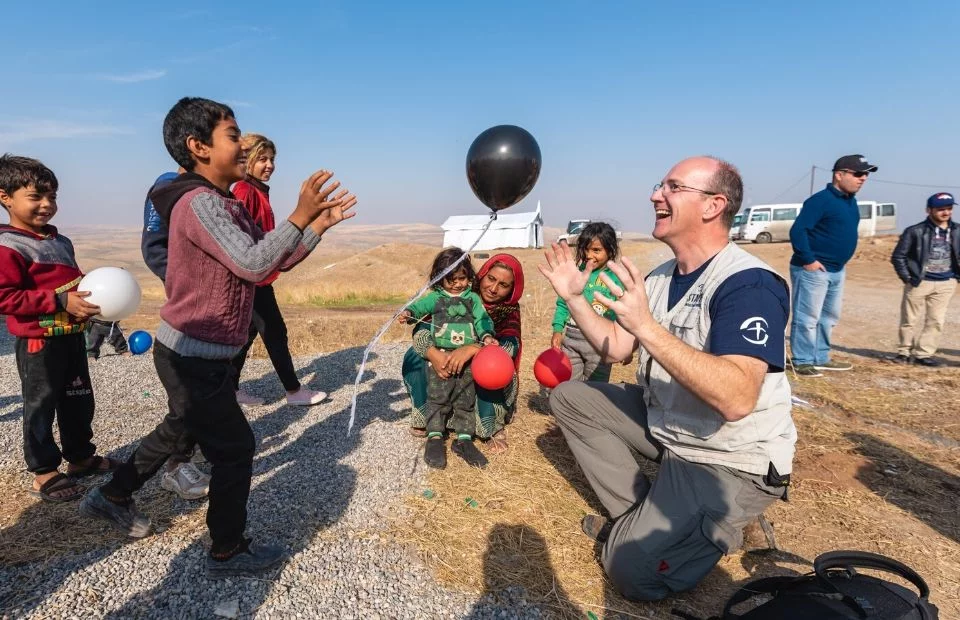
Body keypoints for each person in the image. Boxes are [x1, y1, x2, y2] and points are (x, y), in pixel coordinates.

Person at [80, 97, 357, 580]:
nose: (243, 144)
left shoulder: (224, 202)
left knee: (178, 428)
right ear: (199, 147)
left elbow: (268, 263)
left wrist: (315, 228)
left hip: (201, 352)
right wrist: (298, 214)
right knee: (234, 448)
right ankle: (227, 550)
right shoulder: (201, 203)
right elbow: (253, 262)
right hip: (193, 356)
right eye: (233, 135)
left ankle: (112, 494)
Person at [539, 156, 796, 601]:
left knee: (631, 573)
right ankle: (648, 519)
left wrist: (647, 327)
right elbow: (618, 348)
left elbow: (737, 398)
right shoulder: (661, 277)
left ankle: (673, 533)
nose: (656, 195)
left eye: (673, 187)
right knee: (570, 398)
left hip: (726, 456)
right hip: (672, 426)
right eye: (661, 185)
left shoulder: (748, 283)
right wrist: (578, 300)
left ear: (713, 205)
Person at [0, 154, 117, 502]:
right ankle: (44, 470)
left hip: (71, 338)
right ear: (4, 196)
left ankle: (80, 457)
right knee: (41, 403)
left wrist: (91, 301)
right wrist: (60, 302)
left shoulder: (60, 241)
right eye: (35, 196)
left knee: (79, 400)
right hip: (39, 342)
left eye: (52, 196)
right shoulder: (8, 247)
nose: (47, 204)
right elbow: (5, 297)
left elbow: (74, 284)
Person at [231, 133, 326, 406]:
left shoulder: (258, 191)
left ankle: (230, 389)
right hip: (252, 279)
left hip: (256, 277)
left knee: (247, 334)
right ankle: (294, 391)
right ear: (247, 159)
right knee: (275, 331)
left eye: (272, 159)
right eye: (262, 158)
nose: (269, 165)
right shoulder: (245, 191)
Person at [402, 253, 524, 452]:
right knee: (414, 356)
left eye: (504, 285)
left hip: (482, 365)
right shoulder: (452, 296)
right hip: (445, 359)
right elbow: (421, 329)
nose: (493, 289)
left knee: (494, 366)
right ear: (481, 276)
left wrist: (475, 349)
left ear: (513, 290)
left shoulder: (508, 310)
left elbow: (510, 347)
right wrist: (434, 354)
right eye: (491, 279)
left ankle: (489, 425)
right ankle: (429, 418)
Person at [141, 168, 212, 500]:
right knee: (186, 400)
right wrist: (186, 283)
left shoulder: (216, 190)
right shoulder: (169, 186)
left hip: (212, 312)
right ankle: (170, 466)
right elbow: (154, 245)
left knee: (208, 393)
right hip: (191, 308)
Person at [399, 248, 497, 469]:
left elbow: (482, 321)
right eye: (450, 280)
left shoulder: (473, 299)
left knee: (465, 400)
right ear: (439, 279)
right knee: (438, 399)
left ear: (469, 277)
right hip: (441, 360)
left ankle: (464, 440)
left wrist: (487, 335)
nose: (457, 284)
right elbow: (417, 308)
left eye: (462, 278)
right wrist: (408, 314)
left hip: (467, 363)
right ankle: (434, 437)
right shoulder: (435, 298)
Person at [789, 154, 877, 377]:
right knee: (807, 318)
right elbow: (798, 231)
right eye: (858, 173)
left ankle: (820, 357)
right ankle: (802, 360)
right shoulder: (820, 201)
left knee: (828, 318)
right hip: (813, 270)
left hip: (837, 270)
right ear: (839, 175)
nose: (863, 178)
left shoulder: (850, 202)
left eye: (866, 174)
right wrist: (809, 260)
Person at [891, 192, 959, 366]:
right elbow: (898, 256)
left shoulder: (957, 230)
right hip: (919, 282)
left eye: (949, 208)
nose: (946, 212)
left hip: (946, 283)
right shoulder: (915, 231)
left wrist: (955, 278)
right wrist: (907, 277)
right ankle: (903, 352)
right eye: (941, 209)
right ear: (929, 210)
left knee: (936, 320)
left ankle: (924, 355)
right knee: (909, 319)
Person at [550, 222, 623, 383]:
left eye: (596, 250)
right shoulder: (575, 274)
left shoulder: (616, 279)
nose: (589, 255)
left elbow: (622, 313)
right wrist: (557, 329)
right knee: (570, 384)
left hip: (601, 344)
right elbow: (563, 303)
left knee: (596, 390)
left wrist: (625, 346)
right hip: (571, 340)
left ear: (610, 250)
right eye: (585, 249)